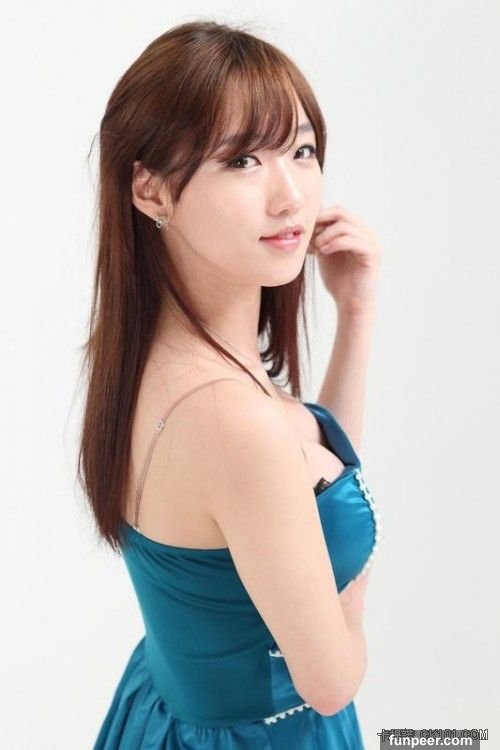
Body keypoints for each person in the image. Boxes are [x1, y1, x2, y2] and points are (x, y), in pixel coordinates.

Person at [79, 18, 384, 749]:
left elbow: (303, 468)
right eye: (243, 160)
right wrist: (358, 572)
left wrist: (356, 314)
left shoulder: (156, 359)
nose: (291, 196)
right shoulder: (229, 419)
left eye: (301, 151)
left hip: (162, 713)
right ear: (150, 190)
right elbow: (330, 680)